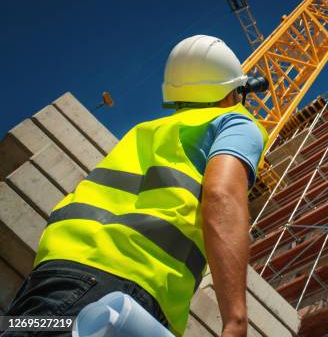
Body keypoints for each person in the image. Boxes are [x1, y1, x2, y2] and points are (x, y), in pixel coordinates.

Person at [3, 35, 268, 337]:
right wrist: (236, 320)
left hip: (49, 280)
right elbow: (222, 194)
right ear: (229, 93)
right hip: (119, 291)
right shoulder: (234, 122)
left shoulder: (146, 132)